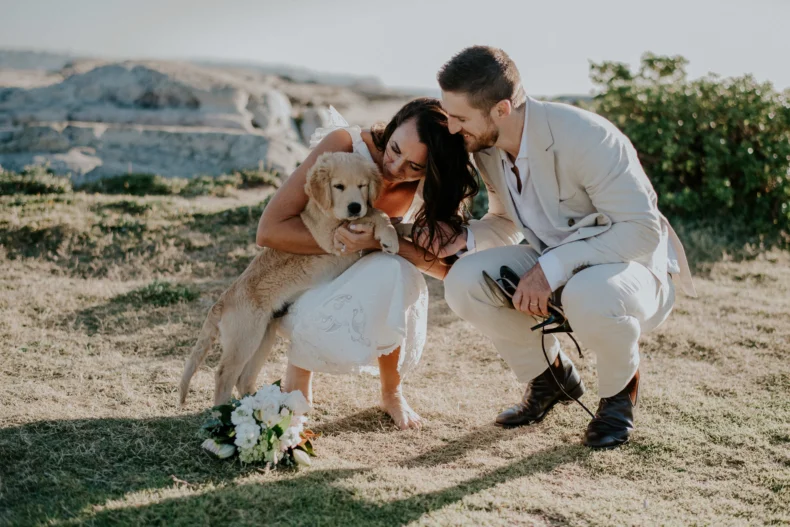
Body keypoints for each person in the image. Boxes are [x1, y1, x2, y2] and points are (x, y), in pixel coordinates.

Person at [434, 46, 696, 448]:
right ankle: (551, 379)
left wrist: (550, 268)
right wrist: (463, 239)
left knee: (587, 291)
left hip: (634, 269)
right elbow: (506, 219)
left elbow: (641, 230)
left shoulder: (587, 136)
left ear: (502, 109)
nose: (452, 128)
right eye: (448, 115)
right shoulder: (487, 149)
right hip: (555, 264)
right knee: (464, 280)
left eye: (461, 118)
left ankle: (618, 399)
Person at [256, 98, 477, 429]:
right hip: (305, 282)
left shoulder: (421, 187)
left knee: (397, 270)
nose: (396, 167)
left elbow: (440, 268)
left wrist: (376, 242)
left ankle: (392, 393)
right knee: (390, 265)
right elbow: (268, 231)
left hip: (358, 278)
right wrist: (340, 240)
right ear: (393, 124)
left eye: (414, 166)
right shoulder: (345, 147)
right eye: (395, 148)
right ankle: (298, 377)